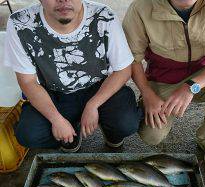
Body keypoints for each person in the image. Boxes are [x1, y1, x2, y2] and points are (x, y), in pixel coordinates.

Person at [123, 0, 205, 172]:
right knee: (151, 135)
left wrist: (191, 87)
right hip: (164, 78)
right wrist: (148, 93)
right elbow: (131, 58)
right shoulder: (141, 7)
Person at [4, 0, 142, 152]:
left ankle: (112, 133)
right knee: (28, 134)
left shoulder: (104, 16)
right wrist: (56, 119)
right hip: (54, 93)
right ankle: (70, 135)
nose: (63, 0)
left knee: (126, 122)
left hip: (99, 87)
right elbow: (28, 82)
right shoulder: (20, 23)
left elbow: (123, 70)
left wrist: (93, 104)